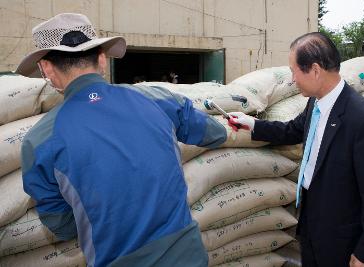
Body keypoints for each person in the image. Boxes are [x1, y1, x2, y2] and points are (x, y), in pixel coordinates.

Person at [16, 13, 227, 267]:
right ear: (102, 59)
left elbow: (64, 227)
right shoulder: (157, 99)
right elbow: (215, 133)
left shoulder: (39, 142)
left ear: (46, 68)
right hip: (188, 258)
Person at [228, 32, 364, 267]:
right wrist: (252, 124)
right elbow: (292, 130)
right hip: (312, 223)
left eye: (294, 71)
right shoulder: (316, 103)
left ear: (315, 70)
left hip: (343, 239)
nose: (292, 80)